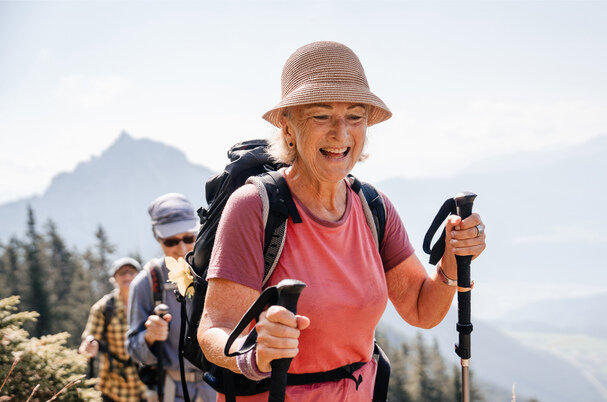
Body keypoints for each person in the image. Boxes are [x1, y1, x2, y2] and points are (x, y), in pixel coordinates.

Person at [197, 41, 486, 401]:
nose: (341, 133)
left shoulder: (373, 207)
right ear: (288, 127)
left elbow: (421, 309)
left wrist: (451, 262)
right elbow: (214, 328)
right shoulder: (255, 207)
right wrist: (254, 355)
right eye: (320, 115)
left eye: (354, 116)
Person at [126, 193, 216, 402]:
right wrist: (149, 337)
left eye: (188, 238)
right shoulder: (147, 282)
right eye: (171, 241)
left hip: (216, 389)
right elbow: (133, 349)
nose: (182, 248)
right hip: (172, 392)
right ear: (158, 239)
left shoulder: (217, 273)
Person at [79, 257, 146, 402]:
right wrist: (90, 345)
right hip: (113, 385)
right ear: (114, 278)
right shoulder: (103, 307)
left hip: (145, 383)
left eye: (131, 272)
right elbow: (90, 337)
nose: (127, 276)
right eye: (122, 273)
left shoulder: (147, 303)